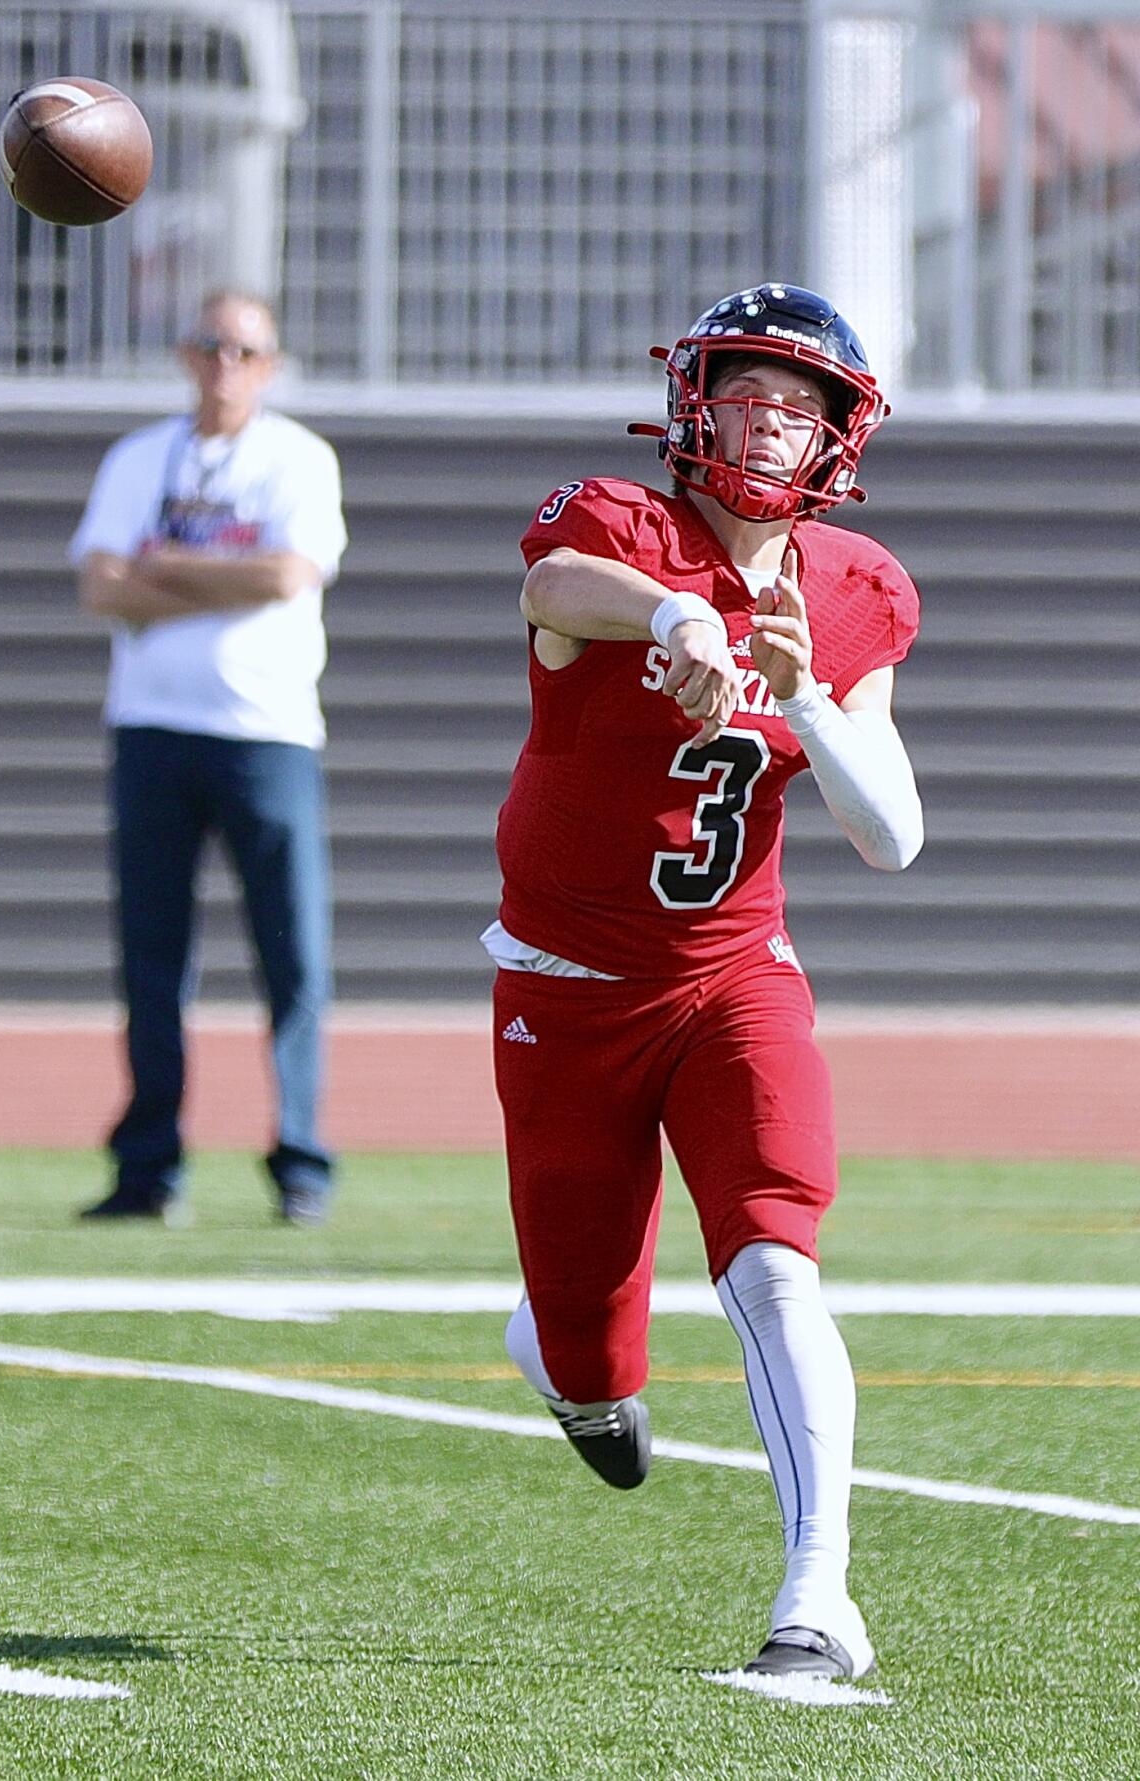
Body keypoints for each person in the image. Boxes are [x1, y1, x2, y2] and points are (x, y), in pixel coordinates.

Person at [483, 283, 924, 1682]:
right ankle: (569, 1358)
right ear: (694, 403)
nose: (769, 422)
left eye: (799, 403)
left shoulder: (856, 591)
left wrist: (798, 694)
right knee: (587, 1344)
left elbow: (893, 836)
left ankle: (819, 1600)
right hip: (567, 980)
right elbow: (553, 589)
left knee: (775, 1256)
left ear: (838, 436)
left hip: (736, 972)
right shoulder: (622, 525)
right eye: (746, 393)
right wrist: (677, 613)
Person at [69, 290, 345, 1226]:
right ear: (187, 357)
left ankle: (300, 1160)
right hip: (150, 728)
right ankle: (149, 1167)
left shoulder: (299, 459)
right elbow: (102, 585)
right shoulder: (138, 457)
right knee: (153, 958)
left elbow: (283, 576)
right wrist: (202, 584)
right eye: (210, 345)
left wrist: (163, 572)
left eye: (244, 349)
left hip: (266, 734)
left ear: (269, 365)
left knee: (292, 955)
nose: (225, 363)